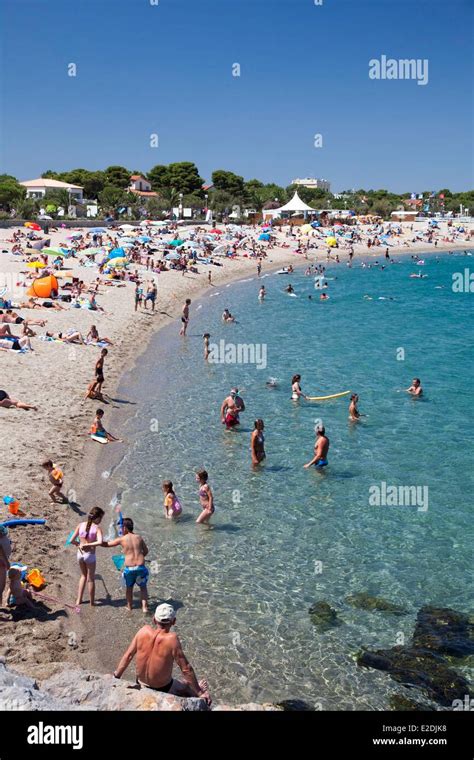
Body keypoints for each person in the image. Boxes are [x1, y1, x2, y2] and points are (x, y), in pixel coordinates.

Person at [112, 603, 211, 704]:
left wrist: (116, 676)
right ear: (174, 622)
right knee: (186, 686)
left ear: (154, 620)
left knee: (183, 682)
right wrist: (199, 692)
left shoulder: (143, 631)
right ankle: (198, 696)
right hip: (162, 688)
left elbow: (128, 656)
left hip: (140, 682)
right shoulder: (172, 639)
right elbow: (186, 669)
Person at [85, 517, 149, 612]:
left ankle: (129, 607)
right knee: (143, 588)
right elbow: (146, 551)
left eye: (121, 528)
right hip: (141, 567)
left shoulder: (122, 539)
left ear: (125, 528)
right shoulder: (139, 537)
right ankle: (145, 608)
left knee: (129, 588)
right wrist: (140, 557)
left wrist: (96, 541)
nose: (120, 530)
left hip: (130, 569)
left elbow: (107, 544)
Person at [70, 507, 105, 607]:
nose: (101, 521)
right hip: (90, 555)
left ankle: (78, 600)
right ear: (97, 518)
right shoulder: (97, 528)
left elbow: (72, 540)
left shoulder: (81, 525)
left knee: (83, 576)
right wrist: (89, 545)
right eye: (101, 518)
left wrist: (80, 544)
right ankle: (92, 602)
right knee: (91, 579)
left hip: (80, 554)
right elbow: (100, 542)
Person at [0, 525, 12, 606]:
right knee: (1, 585)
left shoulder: (3, 539)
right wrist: (7, 562)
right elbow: (1, 550)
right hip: (1, 563)